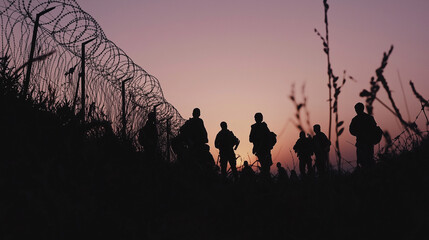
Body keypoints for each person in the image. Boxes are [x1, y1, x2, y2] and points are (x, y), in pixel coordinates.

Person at [349, 102, 377, 169]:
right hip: (364, 142)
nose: (356, 110)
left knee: (366, 160)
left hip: (365, 142)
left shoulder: (356, 119)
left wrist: (360, 133)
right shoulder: (368, 118)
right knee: (366, 160)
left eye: (357, 109)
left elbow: (351, 130)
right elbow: (351, 130)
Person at [249, 112, 275, 179]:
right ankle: (265, 180)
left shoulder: (263, 126)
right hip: (261, 150)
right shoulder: (255, 127)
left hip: (265, 149)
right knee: (265, 167)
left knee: (266, 167)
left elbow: (269, 137)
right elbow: (250, 139)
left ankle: (266, 180)